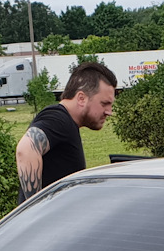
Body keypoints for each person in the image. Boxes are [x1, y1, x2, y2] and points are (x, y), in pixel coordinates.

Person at [16, 62, 118, 202]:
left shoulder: (67, 123)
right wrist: (35, 209)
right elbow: (26, 149)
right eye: (104, 103)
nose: (109, 112)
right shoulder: (59, 119)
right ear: (81, 98)